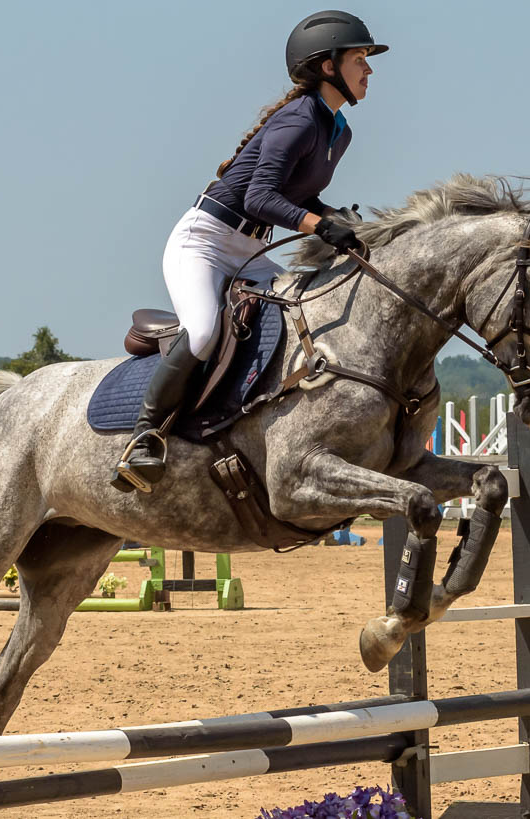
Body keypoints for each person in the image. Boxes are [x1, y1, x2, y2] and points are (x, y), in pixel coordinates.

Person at [111, 10, 385, 494]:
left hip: (250, 251)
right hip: (204, 242)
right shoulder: (297, 119)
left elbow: (295, 197)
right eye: (360, 58)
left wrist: (334, 218)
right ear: (327, 66)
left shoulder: (339, 132)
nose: (369, 69)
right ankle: (144, 437)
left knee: (300, 314)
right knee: (202, 332)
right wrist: (320, 226)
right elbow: (259, 198)